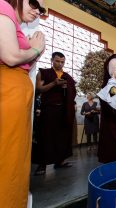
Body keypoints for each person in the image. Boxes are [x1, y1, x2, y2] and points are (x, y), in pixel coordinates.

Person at [0, 0, 46, 206]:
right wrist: (36, 49)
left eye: (42, 9)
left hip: (18, 97)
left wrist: (33, 52)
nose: (38, 10)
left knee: (17, 162)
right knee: (8, 162)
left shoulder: (16, 25)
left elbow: (20, 61)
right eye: (35, 2)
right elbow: (10, 57)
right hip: (8, 95)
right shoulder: (4, 6)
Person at [34, 52, 77, 175]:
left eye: (62, 62)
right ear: (52, 60)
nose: (60, 64)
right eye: (57, 61)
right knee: (46, 136)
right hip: (49, 110)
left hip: (63, 111)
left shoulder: (67, 76)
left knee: (62, 136)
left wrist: (68, 87)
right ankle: (42, 164)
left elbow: (73, 91)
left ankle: (60, 161)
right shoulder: (44, 72)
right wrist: (54, 83)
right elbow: (38, 89)